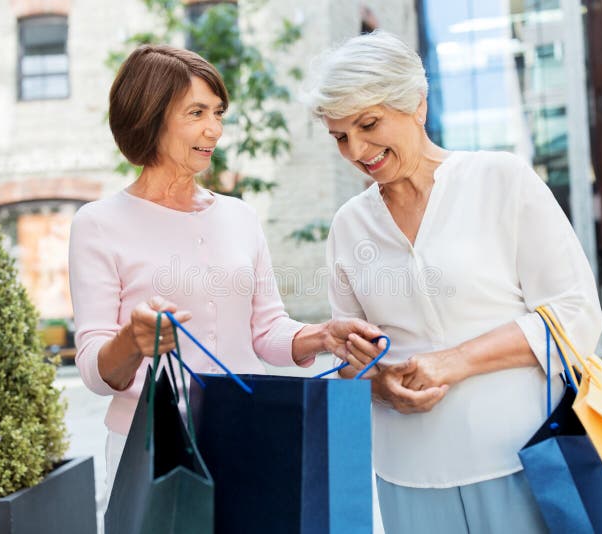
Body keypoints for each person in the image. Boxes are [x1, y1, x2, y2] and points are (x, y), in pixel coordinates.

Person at [303, 31, 602, 533]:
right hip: (405, 475)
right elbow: (351, 363)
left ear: (416, 106)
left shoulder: (501, 180)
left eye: (368, 124)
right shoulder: (349, 226)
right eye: (339, 136)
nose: (356, 149)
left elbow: (575, 315)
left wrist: (455, 361)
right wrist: (380, 383)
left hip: (523, 461)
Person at [68, 44, 382, 511]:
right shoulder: (98, 223)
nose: (214, 129)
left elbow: (267, 330)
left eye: (218, 112)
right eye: (196, 113)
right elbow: (94, 368)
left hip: (246, 435)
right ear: (150, 116)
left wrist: (321, 336)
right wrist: (133, 341)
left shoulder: (239, 216)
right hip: (153, 451)